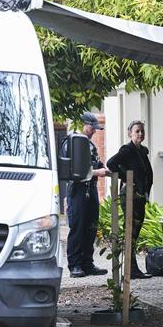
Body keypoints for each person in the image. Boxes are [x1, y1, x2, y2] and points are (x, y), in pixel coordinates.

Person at [65, 112, 111, 278]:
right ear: (82, 124)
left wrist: (105, 168)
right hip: (77, 190)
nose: (94, 131)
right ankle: (75, 265)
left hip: (90, 189)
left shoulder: (89, 145)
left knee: (90, 227)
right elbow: (73, 170)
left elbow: (96, 163)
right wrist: (97, 171)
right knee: (78, 228)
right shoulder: (72, 142)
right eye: (92, 127)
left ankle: (87, 263)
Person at [107, 120, 154, 279]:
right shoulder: (127, 150)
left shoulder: (142, 151)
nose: (140, 134)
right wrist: (127, 177)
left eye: (142, 131)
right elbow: (111, 163)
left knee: (135, 231)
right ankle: (131, 269)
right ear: (130, 133)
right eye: (137, 131)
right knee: (131, 232)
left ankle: (132, 268)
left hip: (140, 196)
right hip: (130, 194)